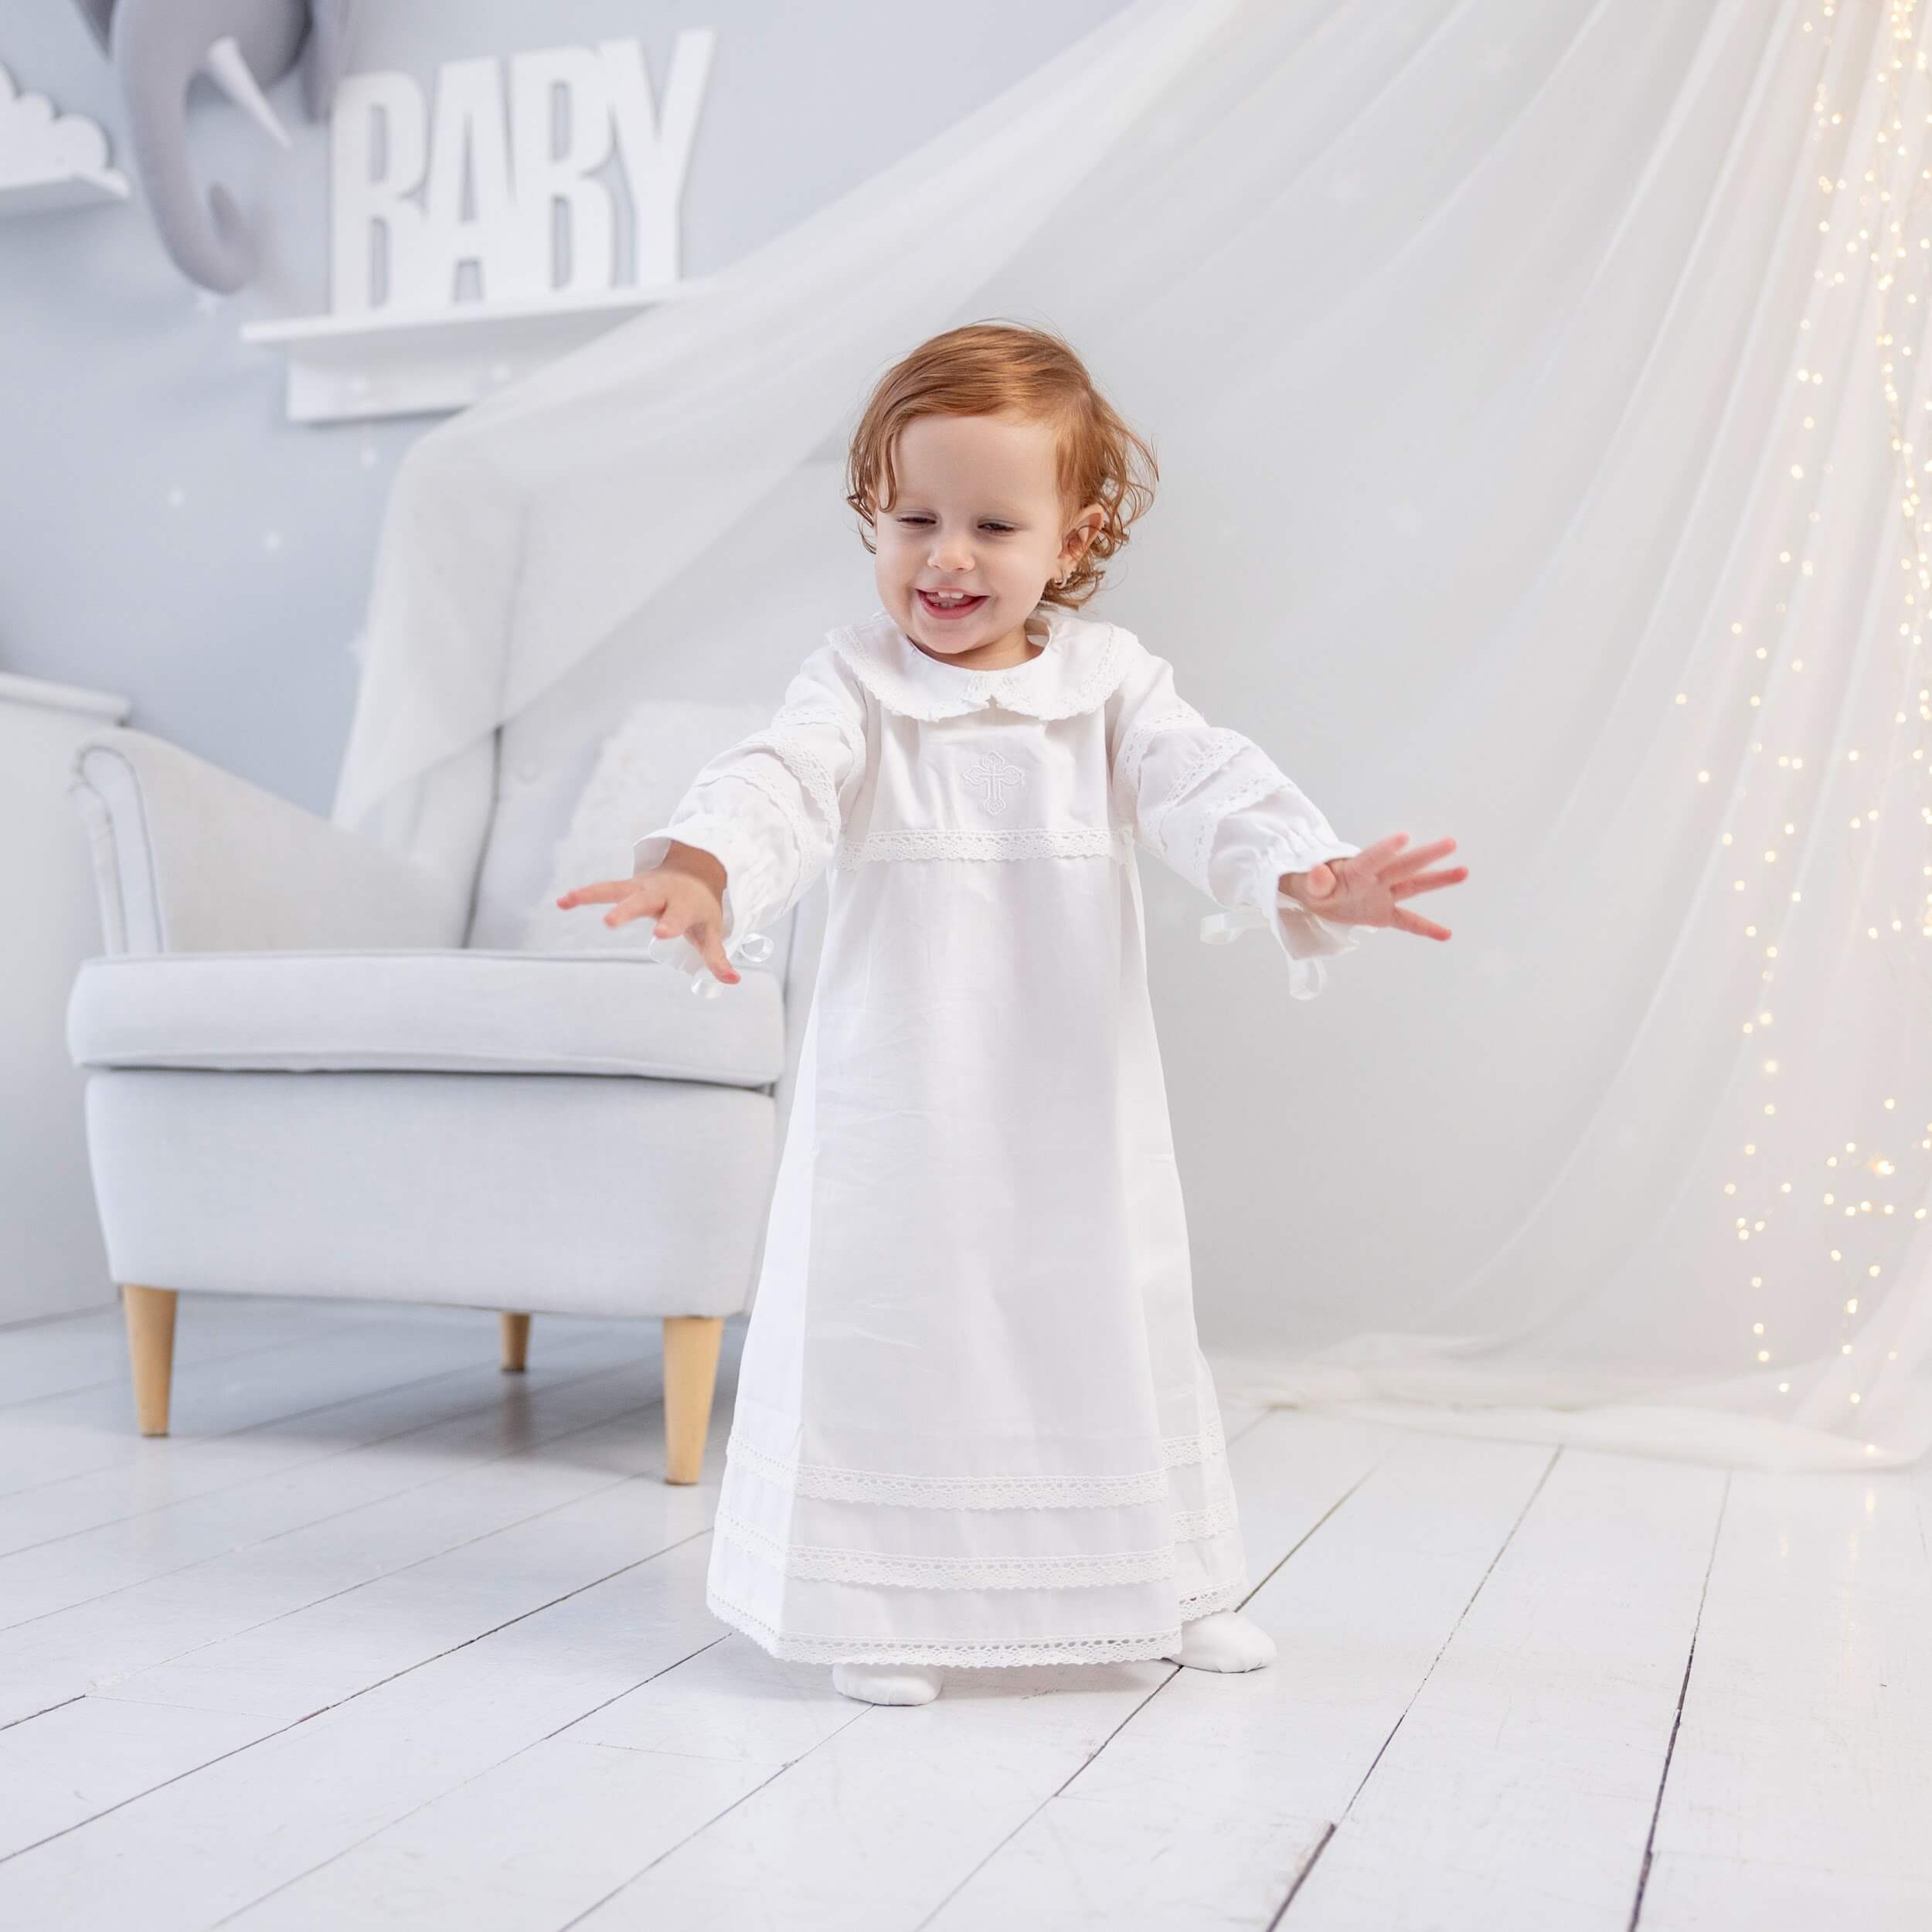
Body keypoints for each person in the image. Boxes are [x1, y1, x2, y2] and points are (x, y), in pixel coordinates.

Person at [558, 321, 1468, 1706]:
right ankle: (885, 1606)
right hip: (901, 1094)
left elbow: (1201, 780)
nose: (949, 558)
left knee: (1095, 1306)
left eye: (994, 522)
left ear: (1075, 533)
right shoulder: (854, 686)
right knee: (905, 1325)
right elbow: (778, 780)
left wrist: (1311, 869)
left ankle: (1159, 1582)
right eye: (915, 517)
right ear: (872, 512)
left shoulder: (1107, 687)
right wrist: (698, 867)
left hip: (1065, 1088)